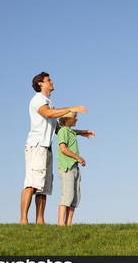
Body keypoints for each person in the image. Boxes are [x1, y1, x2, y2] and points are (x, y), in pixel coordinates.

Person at [20, 72, 90, 225]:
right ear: (40, 84)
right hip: (36, 147)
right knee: (31, 184)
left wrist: (81, 132)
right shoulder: (38, 99)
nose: (52, 82)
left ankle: (40, 221)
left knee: (44, 187)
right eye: (48, 80)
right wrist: (72, 108)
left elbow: (59, 128)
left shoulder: (48, 102)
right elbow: (48, 113)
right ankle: (23, 220)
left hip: (46, 148)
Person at [57, 112, 95, 226]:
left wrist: (84, 132)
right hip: (67, 167)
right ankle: (61, 223)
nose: (76, 119)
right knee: (67, 195)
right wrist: (77, 157)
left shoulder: (70, 131)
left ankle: (69, 223)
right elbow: (63, 148)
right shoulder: (63, 131)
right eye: (74, 117)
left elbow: (75, 132)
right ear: (67, 119)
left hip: (74, 167)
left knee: (75, 196)